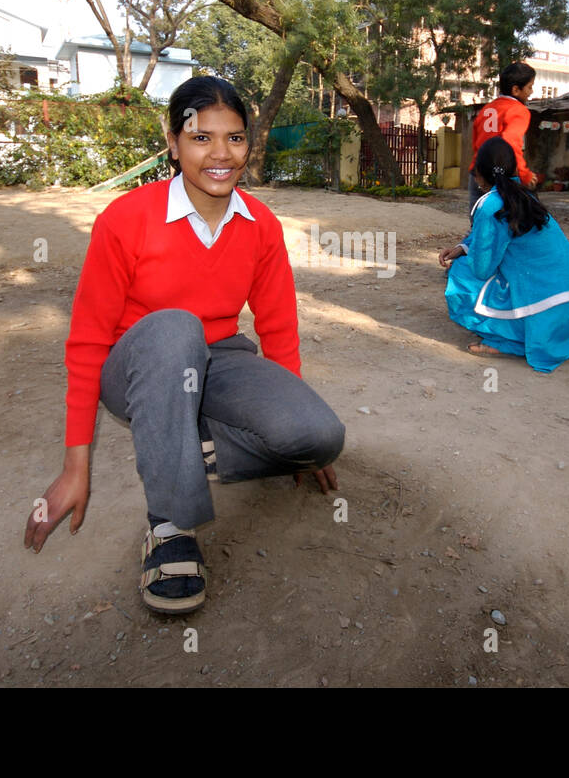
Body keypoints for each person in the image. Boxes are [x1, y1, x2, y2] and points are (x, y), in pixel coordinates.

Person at [23, 76, 345, 615]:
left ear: (249, 143)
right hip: (140, 366)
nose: (221, 154)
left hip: (219, 359)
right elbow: (87, 342)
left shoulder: (261, 225)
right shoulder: (125, 219)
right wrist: (76, 466)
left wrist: (294, 428)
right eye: (201, 138)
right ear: (173, 143)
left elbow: (278, 326)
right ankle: (170, 528)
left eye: (236, 138)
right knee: (176, 327)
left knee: (320, 435)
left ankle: (181, 451)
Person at [439, 136, 569, 372]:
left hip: (544, 315)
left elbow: (482, 268)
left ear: (479, 172)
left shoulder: (489, 205)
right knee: (471, 262)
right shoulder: (523, 196)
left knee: (460, 272)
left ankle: (509, 340)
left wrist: (463, 256)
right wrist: (464, 246)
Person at [470, 62, 538, 209]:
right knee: (508, 221)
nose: (531, 92)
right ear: (516, 90)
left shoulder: (487, 109)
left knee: (478, 219)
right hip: (501, 175)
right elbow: (511, 144)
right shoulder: (519, 110)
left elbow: (476, 143)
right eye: (530, 87)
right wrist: (524, 174)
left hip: (478, 172)